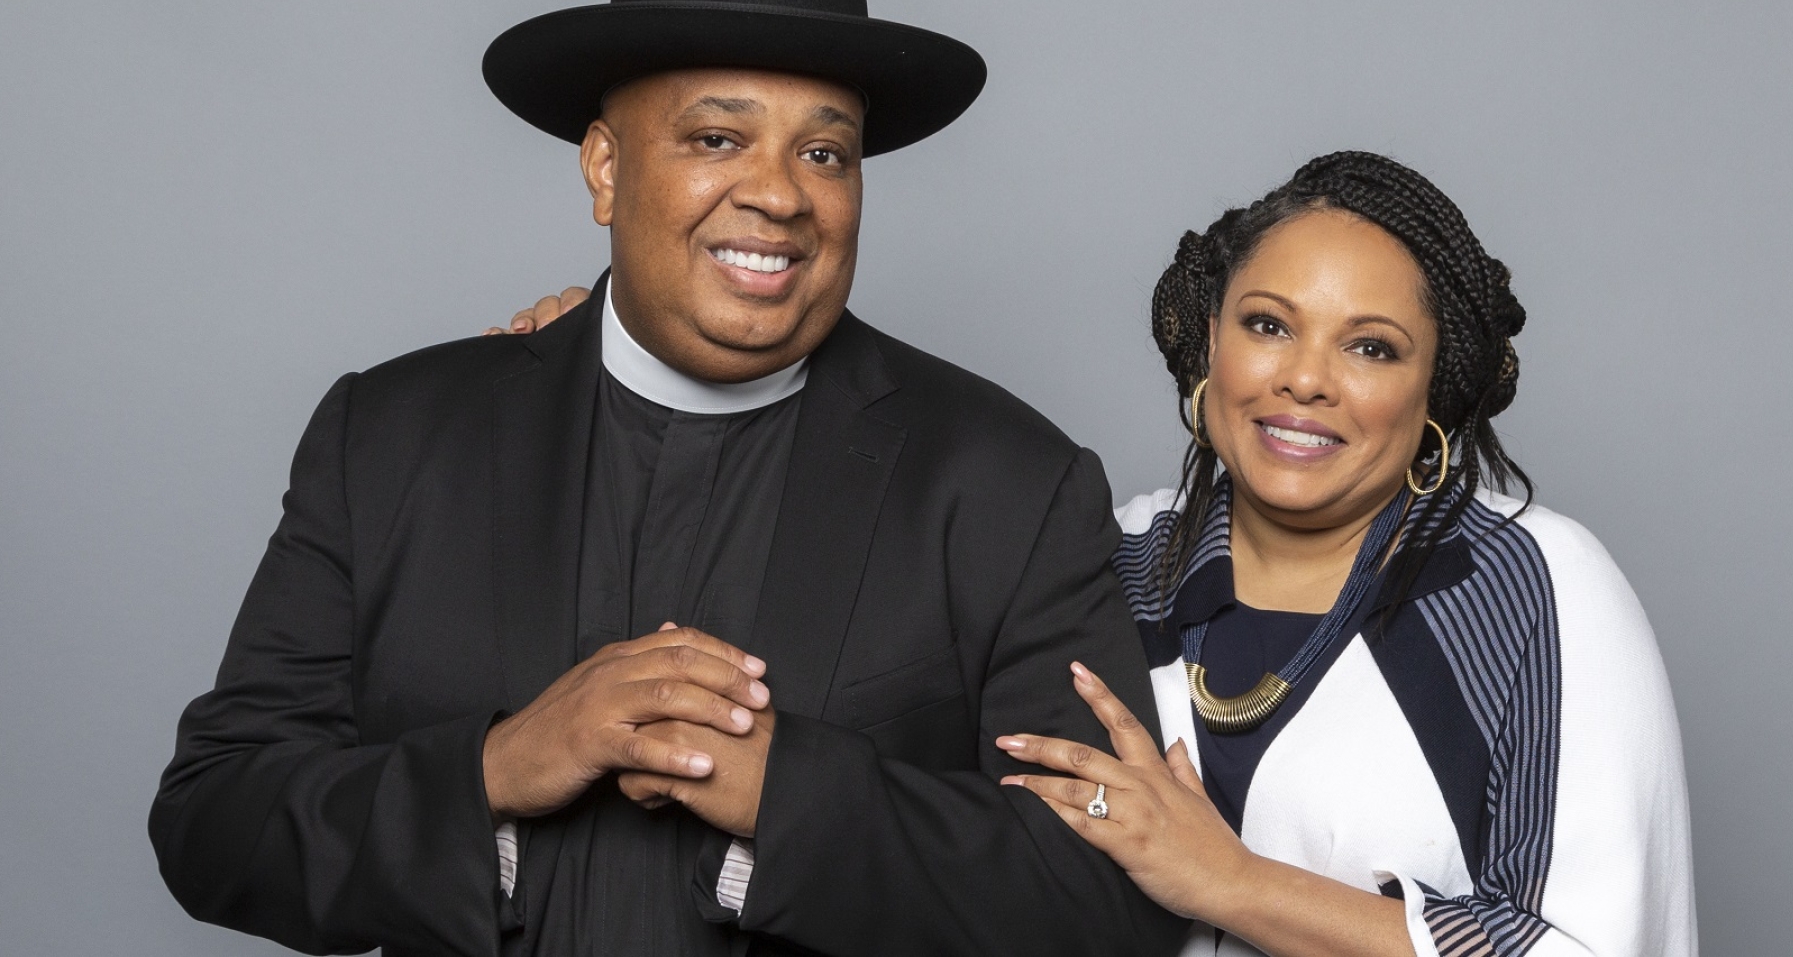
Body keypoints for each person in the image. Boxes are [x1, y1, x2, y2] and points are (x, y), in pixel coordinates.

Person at [149, 0, 1186, 957]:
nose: (779, 195)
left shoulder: (1006, 484)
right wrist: (496, 772)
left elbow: (1106, 898)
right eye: (715, 136)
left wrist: (791, 801)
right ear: (605, 167)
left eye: (823, 153)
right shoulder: (393, 440)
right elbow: (215, 823)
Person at [499, 153, 1697, 957]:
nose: (1303, 379)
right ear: (1205, 349)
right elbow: (879, 754)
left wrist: (1224, 882)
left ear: (1438, 389)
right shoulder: (1099, 557)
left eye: (1372, 347)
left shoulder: (1527, 587)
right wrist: (633, 381)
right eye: (1266, 325)